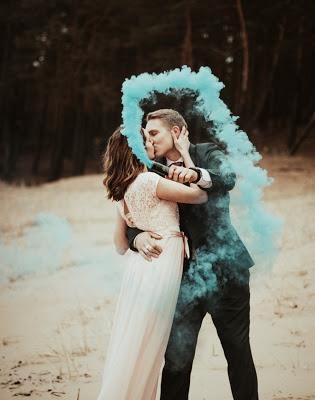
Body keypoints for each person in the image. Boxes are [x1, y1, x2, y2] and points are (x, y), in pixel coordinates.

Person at [127, 109, 259, 400]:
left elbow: (228, 178)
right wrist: (137, 238)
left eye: (153, 133)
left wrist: (194, 170)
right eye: (146, 134)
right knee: (176, 360)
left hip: (227, 270)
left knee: (237, 353)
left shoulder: (206, 151)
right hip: (181, 277)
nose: (147, 140)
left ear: (176, 132)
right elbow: (132, 216)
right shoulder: (151, 171)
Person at [96, 126, 208, 400]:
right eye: (145, 140)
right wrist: (186, 155)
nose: (150, 143)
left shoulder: (122, 190)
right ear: (134, 149)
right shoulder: (147, 182)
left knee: (136, 342)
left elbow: (120, 245)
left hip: (138, 269)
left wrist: (140, 234)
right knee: (150, 344)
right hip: (161, 263)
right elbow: (200, 195)